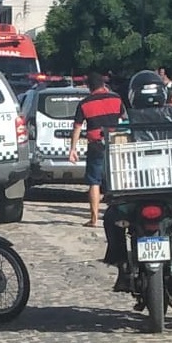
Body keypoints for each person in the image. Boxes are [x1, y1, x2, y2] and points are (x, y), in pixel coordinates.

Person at [103, 71, 172, 291]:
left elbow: (114, 155)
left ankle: (122, 267)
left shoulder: (125, 123)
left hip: (133, 194)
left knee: (111, 218)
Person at [69, 72, 125, 228]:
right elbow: (125, 121)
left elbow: (77, 128)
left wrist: (73, 149)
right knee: (117, 179)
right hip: (115, 144)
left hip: (96, 145)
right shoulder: (116, 99)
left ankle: (94, 219)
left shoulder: (84, 104)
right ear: (103, 84)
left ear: (89, 87)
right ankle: (121, 214)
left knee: (94, 182)